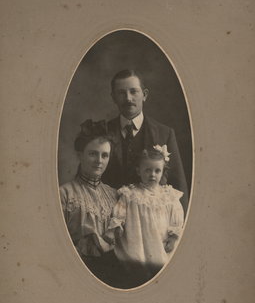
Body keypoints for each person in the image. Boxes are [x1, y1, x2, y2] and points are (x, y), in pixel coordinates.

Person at [102, 69, 189, 213]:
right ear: (113, 98)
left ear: (145, 95)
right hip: (110, 214)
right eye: (121, 93)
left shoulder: (164, 133)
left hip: (152, 219)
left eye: (133, 91)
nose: (128, 98)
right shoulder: (103, 131)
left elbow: (178, 184)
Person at [104, 146, 184, 287]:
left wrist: (173, 237)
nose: (152, 174)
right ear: (138, 171)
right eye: (147, 170)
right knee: (138, 270)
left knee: (162, 269)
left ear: (163, 172)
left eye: (157, 170)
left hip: (161, 241)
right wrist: (114, 229)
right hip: (138, 241)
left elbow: (176, 219)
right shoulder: (130, 194)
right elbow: (120, 213)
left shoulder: (169, 195)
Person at [59, 119, 119, 284]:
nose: (99, 160)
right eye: (93, 153)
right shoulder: (64, 194)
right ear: (80, 155)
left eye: (104, 155)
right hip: (74, 276)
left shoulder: (115, 195)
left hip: (111, 275)